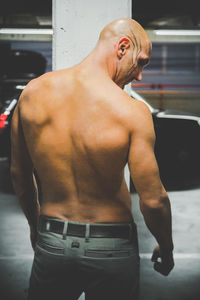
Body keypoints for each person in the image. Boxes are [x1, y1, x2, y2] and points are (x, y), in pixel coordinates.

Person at [10, 18, 174, 300]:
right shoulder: (131, 111)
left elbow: (20, 176)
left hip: (52, 239)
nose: (139, 77)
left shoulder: (32, 94)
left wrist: (36, 227)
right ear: (123, 47)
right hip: (112, 247)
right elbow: (153, 199)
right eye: (142, 62)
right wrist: (166, 247)